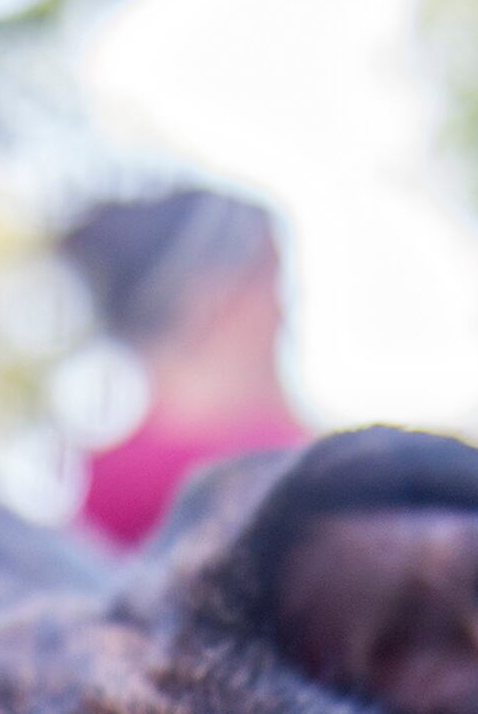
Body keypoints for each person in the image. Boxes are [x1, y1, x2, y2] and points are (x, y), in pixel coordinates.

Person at [58, 188, 305, 550]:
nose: (284, 315)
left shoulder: (105, 487)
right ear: (214, 298)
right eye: (270, 280)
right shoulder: (266, 473)